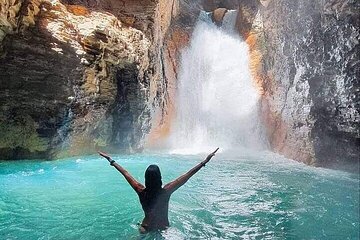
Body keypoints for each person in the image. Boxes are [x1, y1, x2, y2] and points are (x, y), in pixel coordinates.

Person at [98, 148, 219, 233]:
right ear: (159, 178)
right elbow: (188, 175)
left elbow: (125, 173)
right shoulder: (166, 191)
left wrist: (110, 160)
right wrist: (205, 161)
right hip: (163, 228)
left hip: (145, 227)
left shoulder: (140, 190)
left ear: (146, 179)